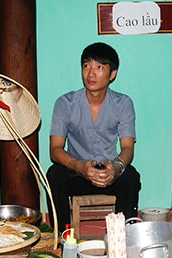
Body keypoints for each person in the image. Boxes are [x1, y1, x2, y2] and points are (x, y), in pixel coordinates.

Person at [46, 42, 141, 233]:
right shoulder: (66, 103)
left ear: (112, 74)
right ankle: (62, 236)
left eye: (99, 67)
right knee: (54, 174)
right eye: (86, 65)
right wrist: (79, 167)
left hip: (108, 171)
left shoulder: (123, 103)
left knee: (131, 176)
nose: (91, 73)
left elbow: (128, 148)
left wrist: (114, 168)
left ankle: (123, 237)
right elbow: (55, 150)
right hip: (77, 171)